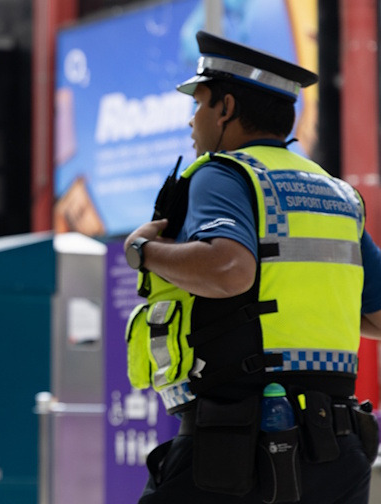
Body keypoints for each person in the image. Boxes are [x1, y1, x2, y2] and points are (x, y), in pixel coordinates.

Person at [124, 31, 381, 503]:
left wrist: (143, 251)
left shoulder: (224, 174)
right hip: (337, 452)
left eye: (199, 103)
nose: (191, 121)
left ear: (225, 108)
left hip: (236, 448)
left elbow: (230, 270)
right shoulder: (337, 193)